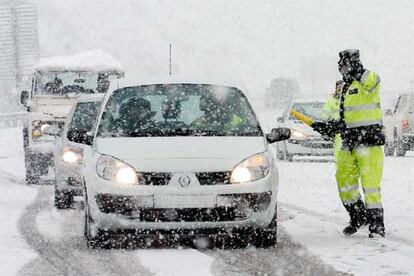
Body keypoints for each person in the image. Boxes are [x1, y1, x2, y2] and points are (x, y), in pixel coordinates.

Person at [313, 49, 385, 238]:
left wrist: (359, 71)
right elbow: (347, 116)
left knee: (370, 185)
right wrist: (331, 127)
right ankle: (358, 215)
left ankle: (376, 225)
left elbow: (372, 81)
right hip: (349, 141)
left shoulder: (368, 80)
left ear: (353, 64)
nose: (341, 68)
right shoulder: (345, 87)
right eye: (340, 65)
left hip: (368, 142)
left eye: (344, 64)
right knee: (344, 181)